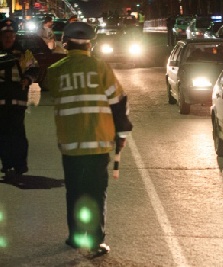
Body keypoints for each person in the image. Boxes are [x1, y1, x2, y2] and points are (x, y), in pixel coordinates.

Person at [46, 22, 133, 256]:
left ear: (66, 43)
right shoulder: (101, 68)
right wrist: (121, 134)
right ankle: (95, 242)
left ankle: (74, 237)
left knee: (74, 191)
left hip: (70, 146)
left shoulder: (56, 71)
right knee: (95, 193)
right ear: (90, 45)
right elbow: (119, 104)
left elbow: (53, 92)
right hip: (97, 144)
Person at [0, 18, 39, 179]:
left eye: (11, 35)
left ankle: (20, 165)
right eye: (5, 35)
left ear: (15, 37)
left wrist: (28, 78)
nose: (8, 38)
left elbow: (34, 69)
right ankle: (7, 164)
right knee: (2, 135)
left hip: (17, 102)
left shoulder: (24, 54)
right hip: (0, 102)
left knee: (17, 135)